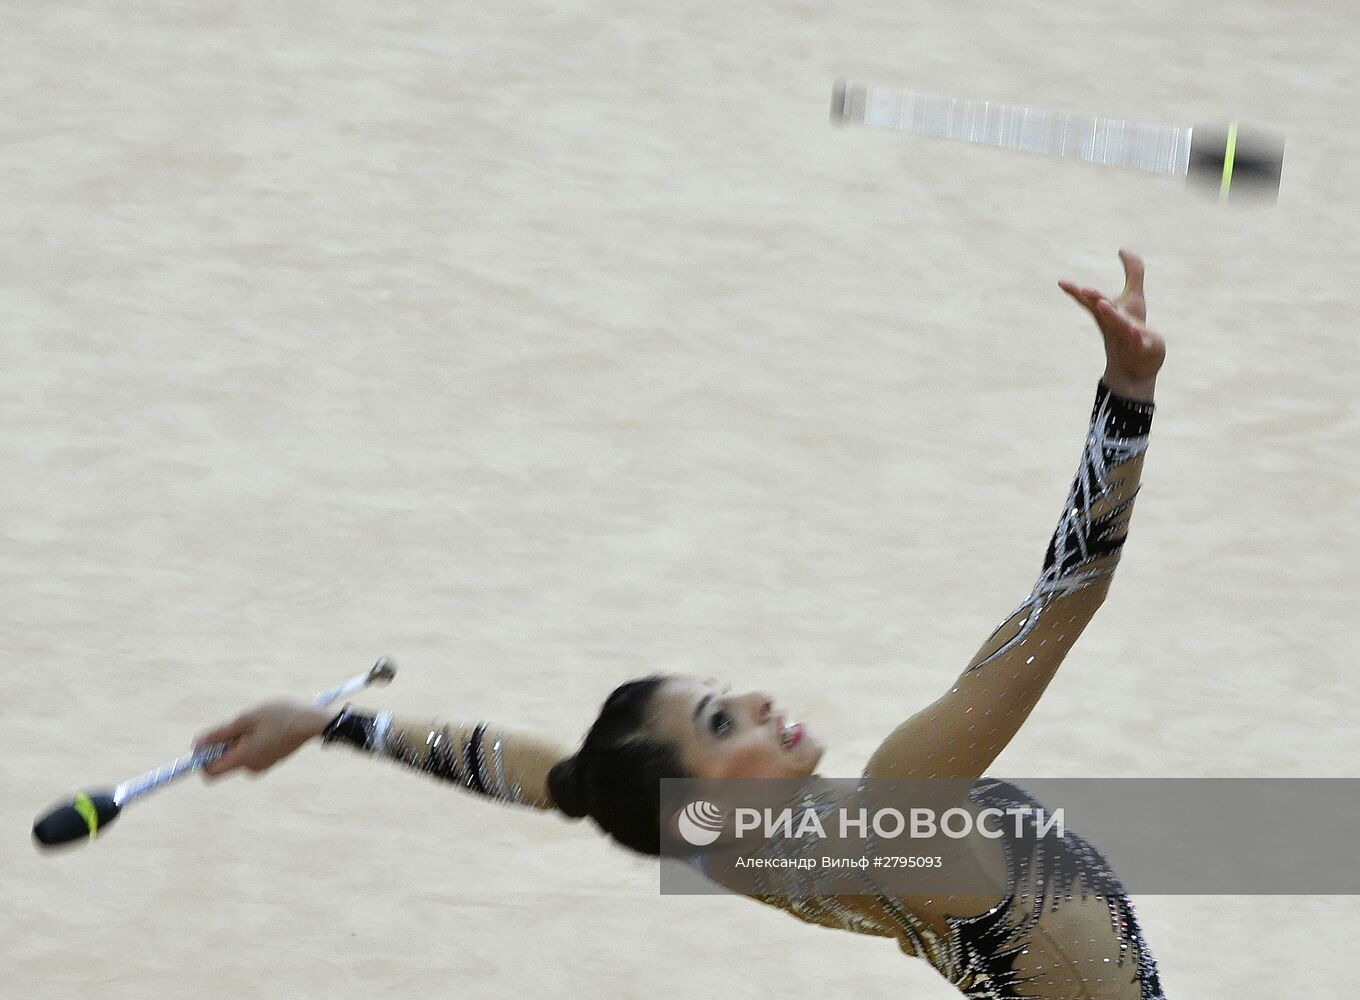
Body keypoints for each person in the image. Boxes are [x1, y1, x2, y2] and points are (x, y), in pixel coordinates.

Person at [195, 249, 1166, 999]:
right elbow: (1067, 593)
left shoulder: (727, 849)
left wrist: (332, 723)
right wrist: (1124, 401)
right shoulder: (894, 807)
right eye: (718, 723)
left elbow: (548, 774)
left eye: (722, 696)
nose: (752, 698)